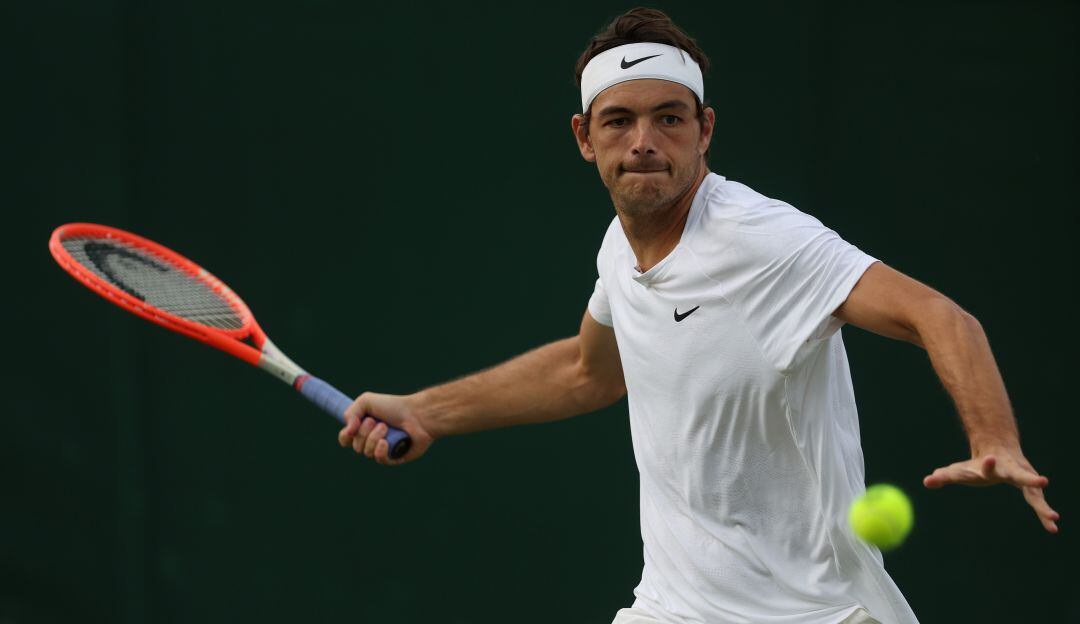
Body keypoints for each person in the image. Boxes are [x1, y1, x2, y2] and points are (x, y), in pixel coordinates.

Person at [337, 8, 1058, 624]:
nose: (644, 141)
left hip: (817, 611)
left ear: (704, 129)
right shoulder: (621, 245)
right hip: (675, 606)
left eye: (669, 118)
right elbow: (587, 370)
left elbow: (941, 315)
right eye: (619, 121)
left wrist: (994, 437)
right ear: (586, 138)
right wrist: (426, 411)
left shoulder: (763, 238)